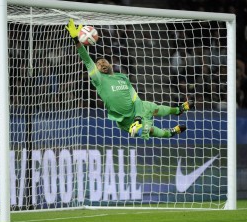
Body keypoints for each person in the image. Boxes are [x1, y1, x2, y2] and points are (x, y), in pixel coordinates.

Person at [66, 19, 194, 140]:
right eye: (99, 64)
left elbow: (134, 97)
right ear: (98, 70)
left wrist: (138, 117)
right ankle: (168, 133)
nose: (102, 63)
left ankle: (178, 110)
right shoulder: (100, 80)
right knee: (147, 130)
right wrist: (76, 40)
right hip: (124, 120)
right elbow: (87, 60)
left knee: (155, 108)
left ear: (110, 65)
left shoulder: (121, 77)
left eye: (104, 61)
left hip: (137, 108)